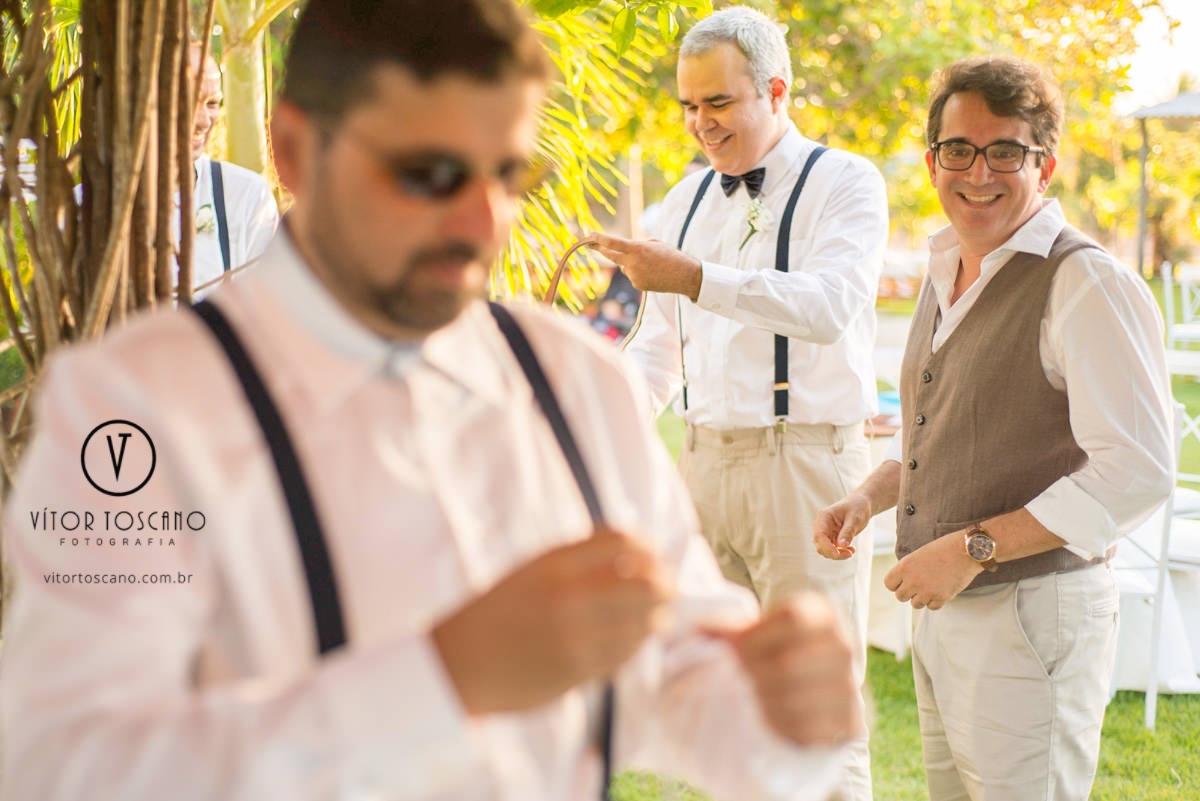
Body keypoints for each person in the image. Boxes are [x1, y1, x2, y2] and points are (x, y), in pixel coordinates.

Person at [0, 2, 862, 800]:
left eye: (506, 172)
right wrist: (444, 678)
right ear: (296, 151)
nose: (480, 219)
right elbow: (62, 763)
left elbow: (683, 681)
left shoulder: (577, 384)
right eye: (431, 171)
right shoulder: (135, 406)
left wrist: (783, 710)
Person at [813, 55, 1174, 801]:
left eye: (1005, 150)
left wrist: (973, 548)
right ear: (931, 160)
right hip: (949, 610)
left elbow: (1138, 467)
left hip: (1032, 615)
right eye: (958, 150)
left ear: (1044, 164)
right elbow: (943, 431)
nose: (978, 171)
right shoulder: (949, 265)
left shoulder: (1087, 282)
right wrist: (870, 497)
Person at [589, 8, 887, 800]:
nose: (699, 124)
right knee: (730, 712)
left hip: (806, 466)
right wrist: (589, 414)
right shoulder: (679, 203)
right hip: (703, 464)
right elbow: (659, 348)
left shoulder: (847, 181)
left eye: (717, 103)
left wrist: (693, 277)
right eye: (688, 106)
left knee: (817, 716)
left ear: (776, 90)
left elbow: (829, 304)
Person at [187, 43, 279, 291]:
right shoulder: (84, 205)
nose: (204, 121)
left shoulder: (248, 198)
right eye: (190, 101)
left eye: (212, 103)